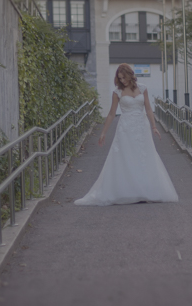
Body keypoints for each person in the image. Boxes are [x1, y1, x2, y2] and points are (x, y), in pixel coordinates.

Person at [75, 64, 179, 206]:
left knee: (144, 156)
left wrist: (154, 126)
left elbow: (148, 108)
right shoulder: (117, 92)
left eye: (124, 77)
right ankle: (128, 191)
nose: (122, 80)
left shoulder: (142, 88)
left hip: (142, 127)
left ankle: (144, 190)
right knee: (127, 157)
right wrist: (103, 132)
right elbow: (112, 114)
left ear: (130, 75)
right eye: (119, 78)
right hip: (125, 128)